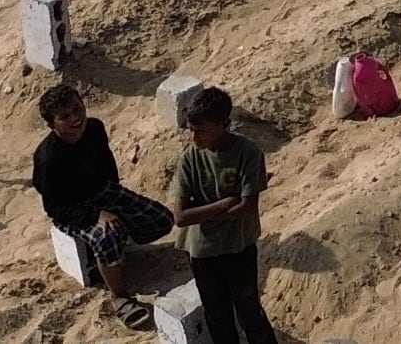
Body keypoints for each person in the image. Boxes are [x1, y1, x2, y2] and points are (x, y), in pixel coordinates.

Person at [33, 84, 170, 331]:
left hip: (101, 190)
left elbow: (108, 166)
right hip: (71, 208)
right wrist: (96, 215)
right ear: (52, 125)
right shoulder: (49, 158)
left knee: (161, 219)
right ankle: (119, 296)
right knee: (105, 237)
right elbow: (54, 207)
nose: (76, 119)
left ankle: (117, 250)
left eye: (77, 109)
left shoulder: (95, 128)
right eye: (65, 117)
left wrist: (117, 200)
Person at [168, 85, 275, 344]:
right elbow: (181, 217)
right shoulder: (190, 159)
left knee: (250, 311)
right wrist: (224, 204)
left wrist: (201, 213)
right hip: (203, 252)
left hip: (239, 247)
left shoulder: (247, 153)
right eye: (192, 131)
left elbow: (248, 207)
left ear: (224, 124)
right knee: (218, 316)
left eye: (202, 131)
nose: (195, 139)